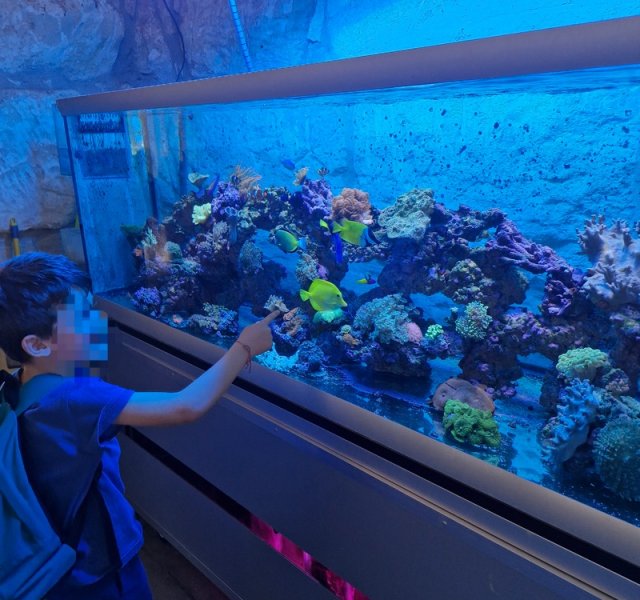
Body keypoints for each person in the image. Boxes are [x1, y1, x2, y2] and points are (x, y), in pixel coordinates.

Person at [0, 252, 278, 599]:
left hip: (61, 559)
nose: (96, 322)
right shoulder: (74, 398)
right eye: (81, 317)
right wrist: (244, 347)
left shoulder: (19, 383)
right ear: (36, 345)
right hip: (100, 568)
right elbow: (185, 407)